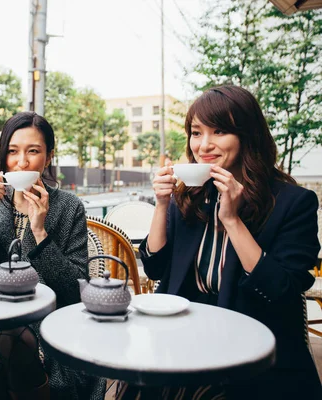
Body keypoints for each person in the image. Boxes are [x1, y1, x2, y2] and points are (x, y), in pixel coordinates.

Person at [137, 85, 321, 399]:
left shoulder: (293, 203)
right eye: (196, 133)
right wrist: (163, 204)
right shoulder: (191, 197)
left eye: (219, 131)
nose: (203, 145)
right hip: (183, 336)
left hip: (254, 344)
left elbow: (282, 291)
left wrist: (233, 221)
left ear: (247, 135)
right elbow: (154, 268)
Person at [0, 112, 106, 399]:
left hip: (49, 325)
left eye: (34, 151)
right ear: (4, 158)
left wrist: (39, 231)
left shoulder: (68, 207)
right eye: (13, 152)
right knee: (3, 344)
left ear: (49, 157)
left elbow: (74, 290)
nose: (22, 162)